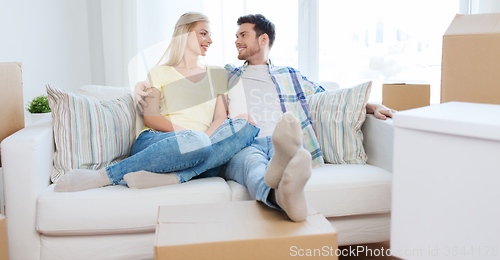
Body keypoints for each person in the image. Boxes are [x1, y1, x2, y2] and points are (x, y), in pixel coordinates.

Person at [133, 14, 395, 222]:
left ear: (263, 39)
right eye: (236, 36)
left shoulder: (290, 74)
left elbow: (326, 97)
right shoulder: (227, 74)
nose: (236, 40)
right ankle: (277, 194)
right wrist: (139, 87)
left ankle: (285, 169)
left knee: (289, 149)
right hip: (246, 143)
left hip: (285, 138)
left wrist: (370, 106)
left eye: (243, 35)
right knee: (251, 164)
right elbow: (183, 79)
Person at [54, 12, 259, 192]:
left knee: (248, 127)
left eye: (210, 35)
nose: (210, 40)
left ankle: (173, 177)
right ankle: (103, 177)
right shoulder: (159, 72)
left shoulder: (218, 74)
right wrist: (192, 137)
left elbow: (220, 117)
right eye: (203, 33)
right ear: (185, 34)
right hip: (160, 141)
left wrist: (203, 140)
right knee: (199, 145)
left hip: (202, 145)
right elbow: (151, 117)